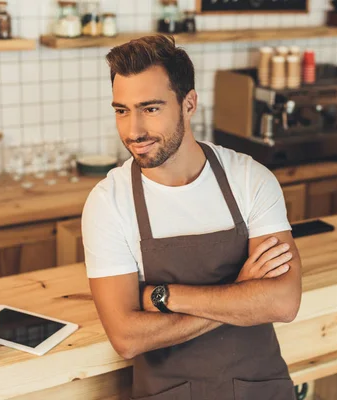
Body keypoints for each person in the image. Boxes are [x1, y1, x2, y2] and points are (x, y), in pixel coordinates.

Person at [82, 35, 302, 400]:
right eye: (122, 110)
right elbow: (126, 337)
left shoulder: (249, 179)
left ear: (189, 104)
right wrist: (240, 292)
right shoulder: (109, 203)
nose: (133, 130)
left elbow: (282, 302)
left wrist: (163, 296)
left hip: (260, 391)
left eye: (150, 109)